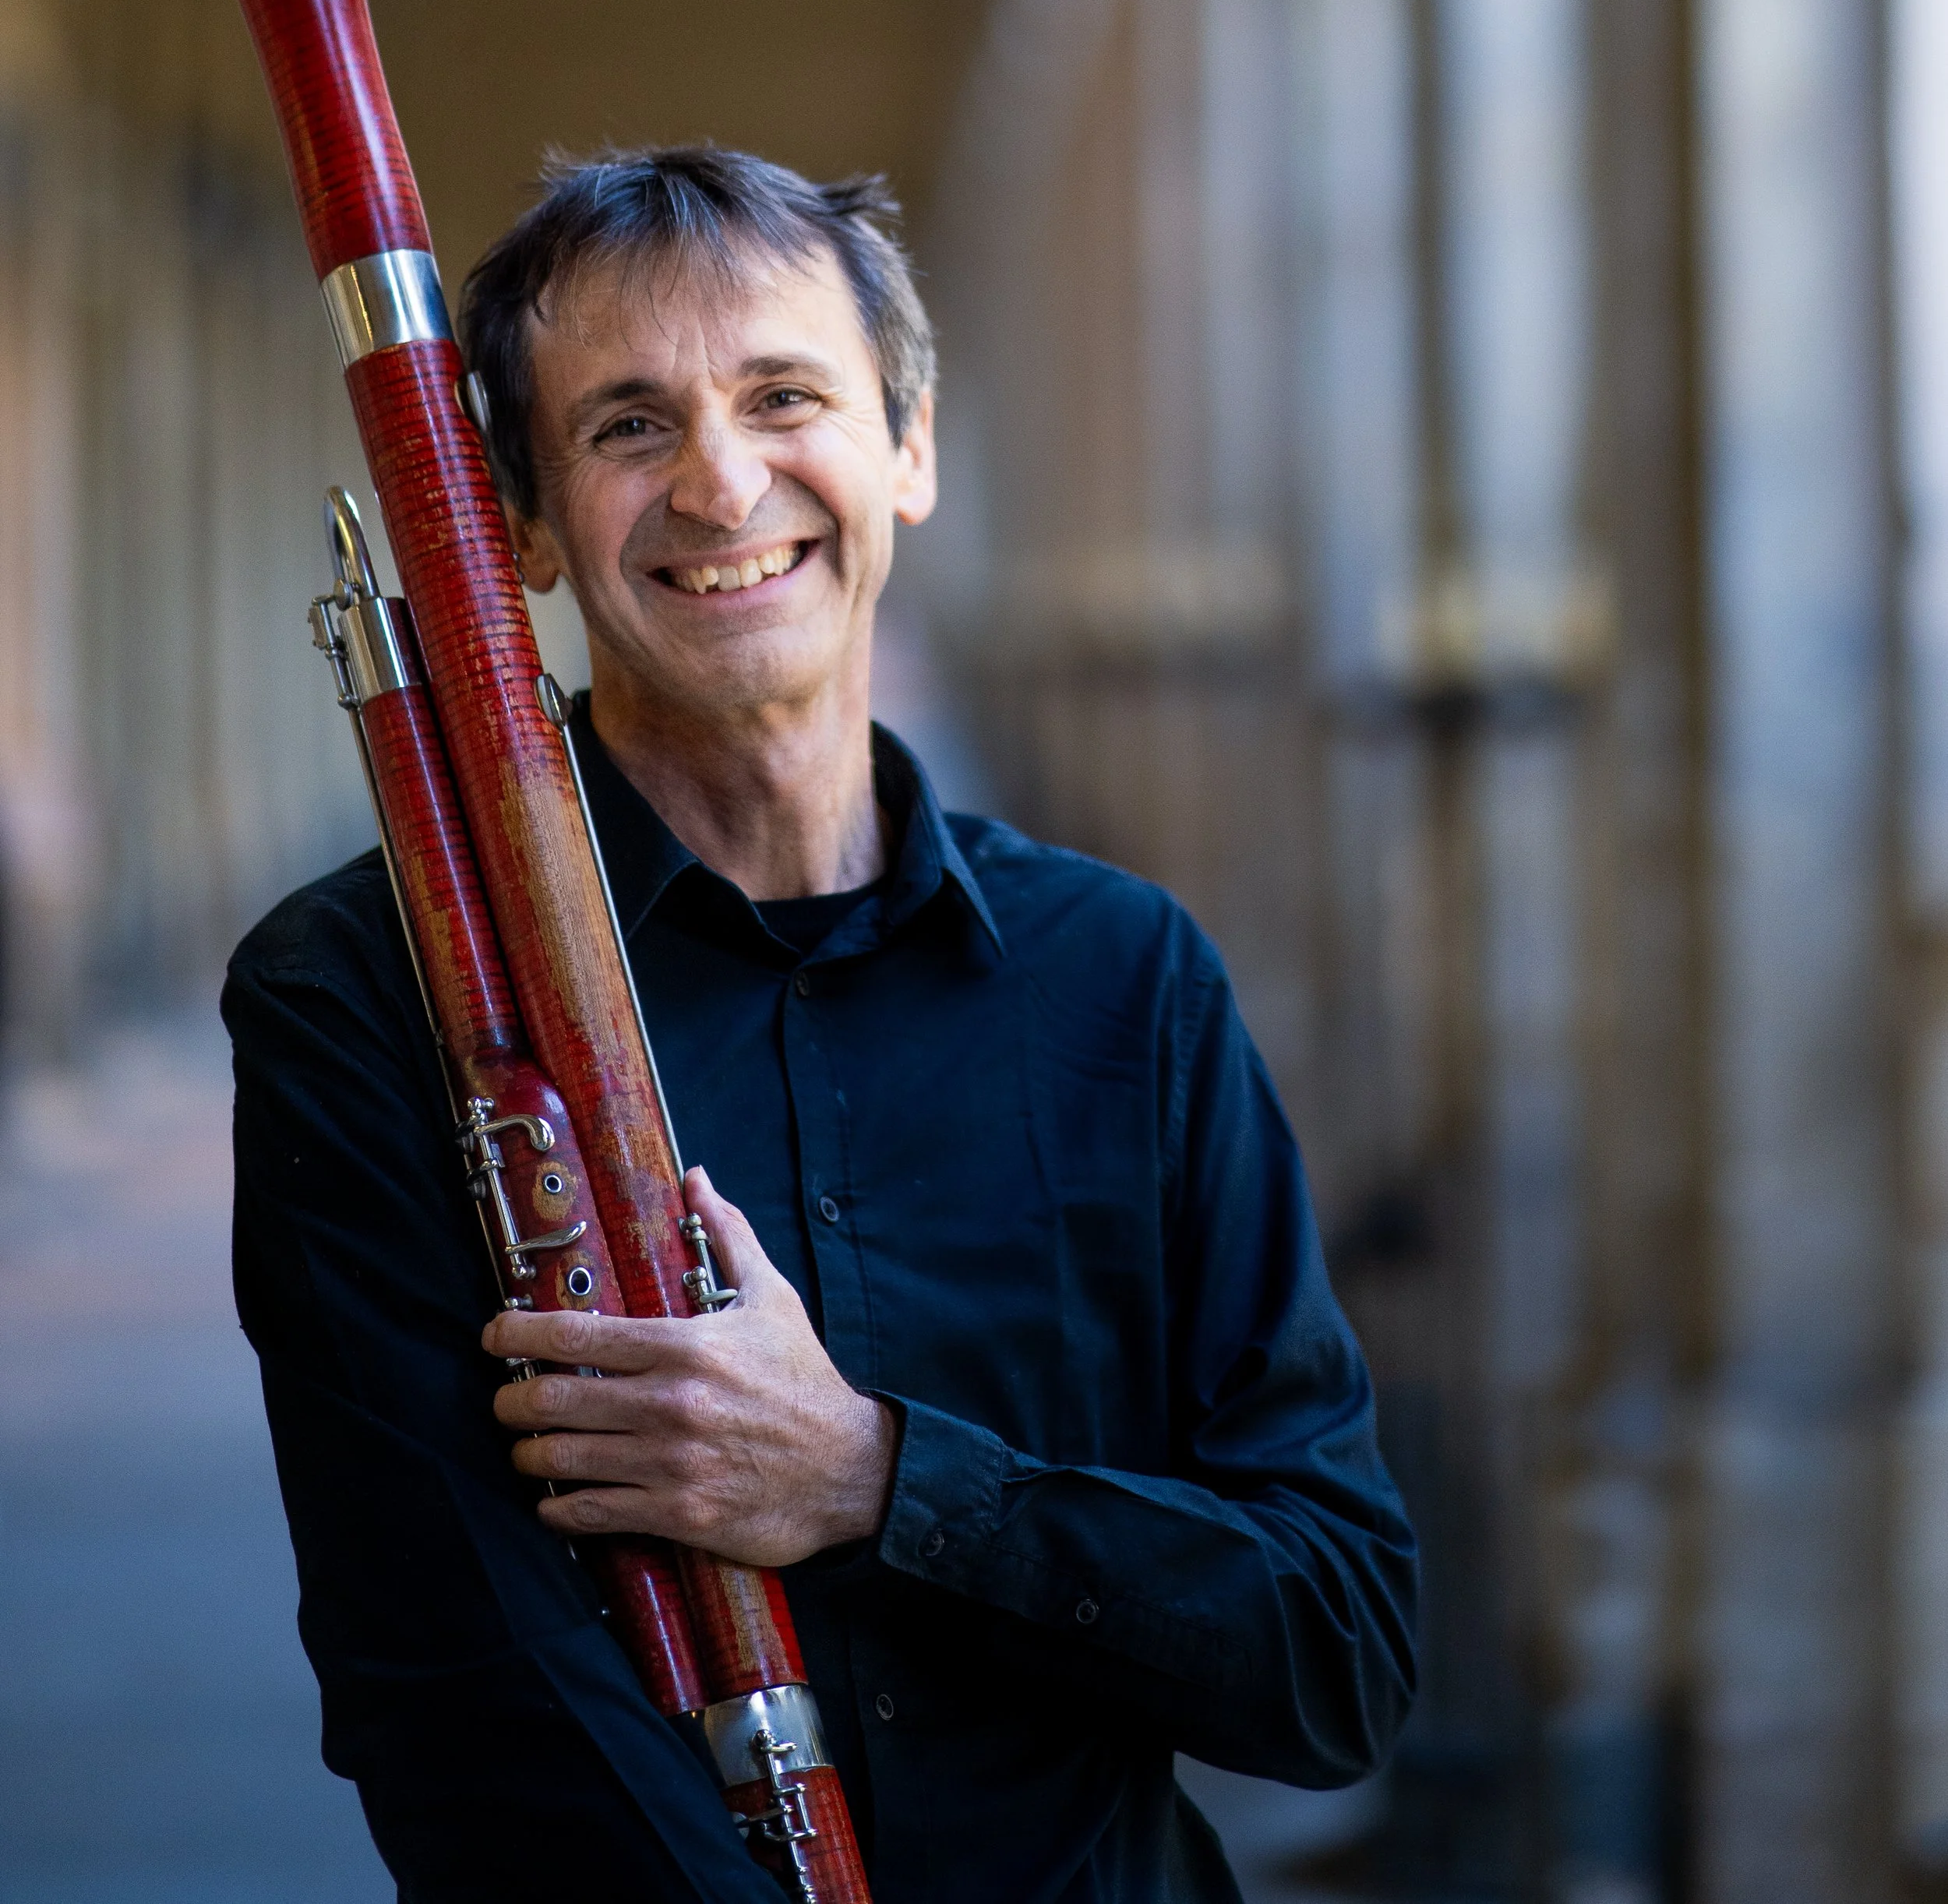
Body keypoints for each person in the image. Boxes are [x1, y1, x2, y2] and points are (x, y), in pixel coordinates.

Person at [224, 145, 1417, 1904]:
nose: (720, 484)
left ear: (907, 451)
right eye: (628, 425)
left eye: (783, 397)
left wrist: (873, 1479)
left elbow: (1334, 1656)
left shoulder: (1126, 980)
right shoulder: (360, 992)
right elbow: (453, 1703)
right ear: (526, 526)